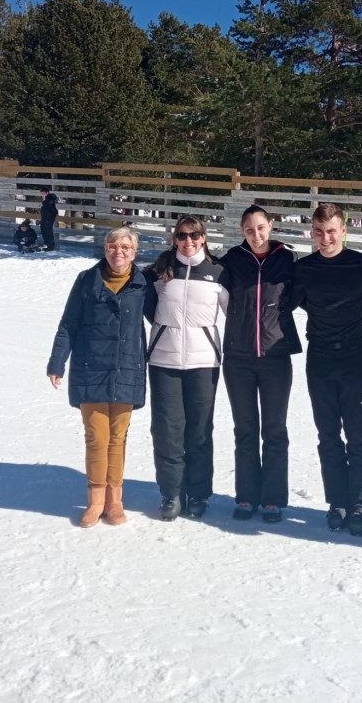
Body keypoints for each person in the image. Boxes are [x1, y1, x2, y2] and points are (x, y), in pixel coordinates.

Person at [291, 203, 362, 537]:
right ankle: (338, 502)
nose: (325, 238)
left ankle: (361, 503)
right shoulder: (304, 269)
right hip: (318, 360)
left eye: (331, 231)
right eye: (318, 232)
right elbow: (283, 302)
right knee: (328, 436)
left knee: (359, 435)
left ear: (344, 230)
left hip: (354, 360)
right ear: (312, 233)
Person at [47, 227, 147, 528]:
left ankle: (115, 501)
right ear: (105, 248)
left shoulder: (144, 285)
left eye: (126, 246)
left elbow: (167, 316)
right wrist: (57, 362)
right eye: (113, 245)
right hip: (90, 369)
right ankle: (95, 501)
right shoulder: (86, 281)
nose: (119, 251)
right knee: (96, 438)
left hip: (127, 369)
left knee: (118, 439)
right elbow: (69, 324)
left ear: (134, 251)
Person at [221, 205, 302, 523]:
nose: (256, 235)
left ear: (270, 225)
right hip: (238, 357)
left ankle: (272, 499)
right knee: (244, 428)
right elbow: (202, 272)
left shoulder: (287, 259)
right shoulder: (232, 259)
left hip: (275, 356)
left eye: (261, 227)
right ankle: (246, 497)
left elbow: (302, 292)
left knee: (274, 428)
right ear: (243, 232)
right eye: (249, 230)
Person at [143, 216, 229, 521]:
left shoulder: (218, 271)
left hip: (204, 362)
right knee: (167, 429)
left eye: (194, 235)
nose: (188, 240)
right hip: (164, 361)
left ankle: (199, 493)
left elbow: (236, 312)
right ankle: (171, 493)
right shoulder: (159, 270)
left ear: (203, 238)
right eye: (182, 235)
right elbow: (145, 305)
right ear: (174, 238)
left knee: (200, 429)